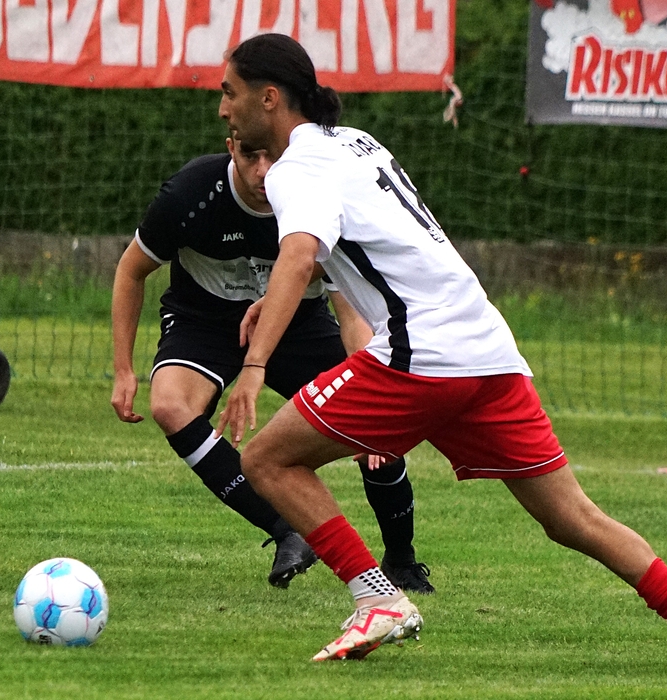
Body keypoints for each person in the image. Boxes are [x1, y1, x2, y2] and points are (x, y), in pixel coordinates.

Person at [215, 33, 667, 673]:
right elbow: (372, 244)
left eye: (230, 92)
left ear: (269, 97)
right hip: (487, 349)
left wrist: (254, 367)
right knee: (573, 517)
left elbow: (302, 255)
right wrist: (275, 298)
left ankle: (377, 597)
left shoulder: (295, 168)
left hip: (423, 353)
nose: (223, 108)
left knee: (267, 459)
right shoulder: (354, 142)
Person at [110, 133, 434, 594]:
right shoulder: (189, 194)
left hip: (296, 323)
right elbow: (131, 270)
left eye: (273, 157)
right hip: (203, 320)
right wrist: (124, 369)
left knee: (373, 418)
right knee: (170, 405)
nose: (262, 171)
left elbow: (351, 315)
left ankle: (401, 560)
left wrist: (371, 397)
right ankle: (288, 529)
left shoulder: (316, 201)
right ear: (231, 148)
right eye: (250, 156)